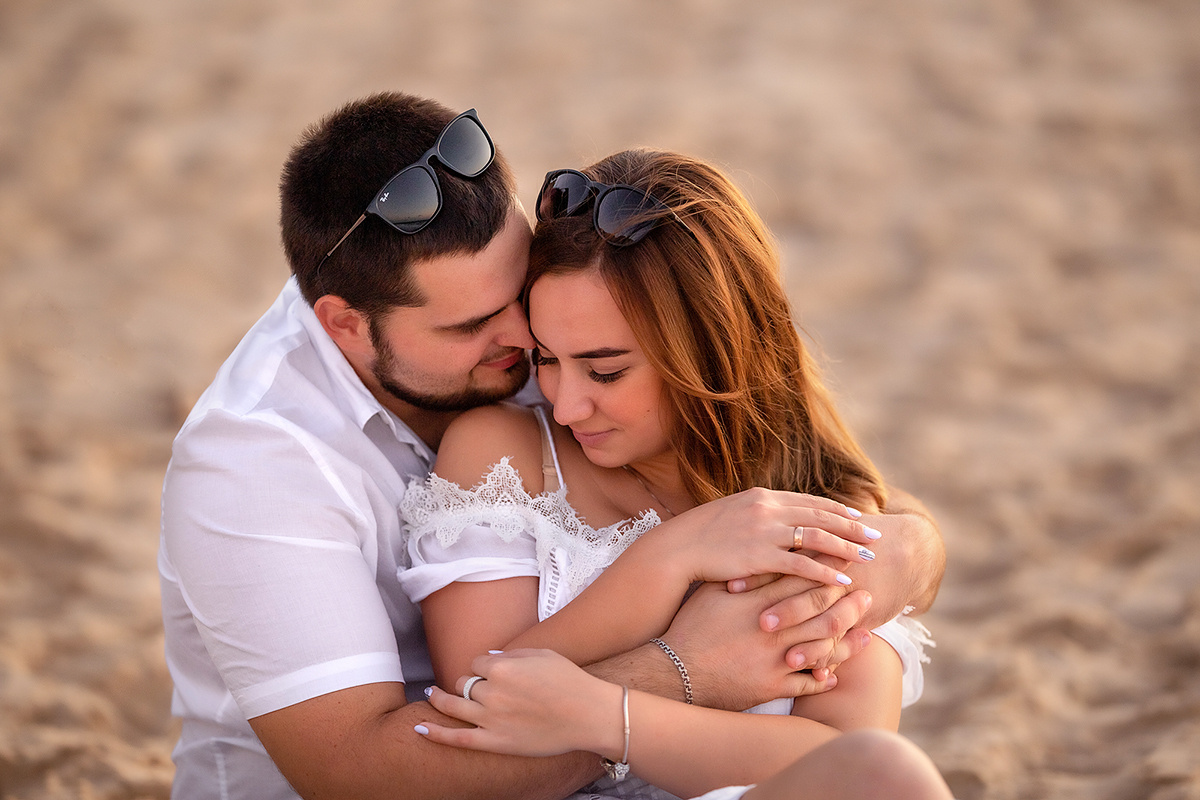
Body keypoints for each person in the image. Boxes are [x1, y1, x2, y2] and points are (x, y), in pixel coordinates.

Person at [158, 91, 946, 800]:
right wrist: (685, 661)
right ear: (345, 326)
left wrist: (887, 559)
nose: (525, 353)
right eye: (474, 327)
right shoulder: (255, 465)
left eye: (518, 299)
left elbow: (846, 492)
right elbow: (366, 776)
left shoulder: (550, 335)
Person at [401, 149, 944, 799]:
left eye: (605, 371)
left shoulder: (815, 504)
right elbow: (482, 697)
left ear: (713, 351)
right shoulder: (507, 453)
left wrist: (610, 718)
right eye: (547, 359)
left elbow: (840, 761)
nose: (567, 404)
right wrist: (669, 558)